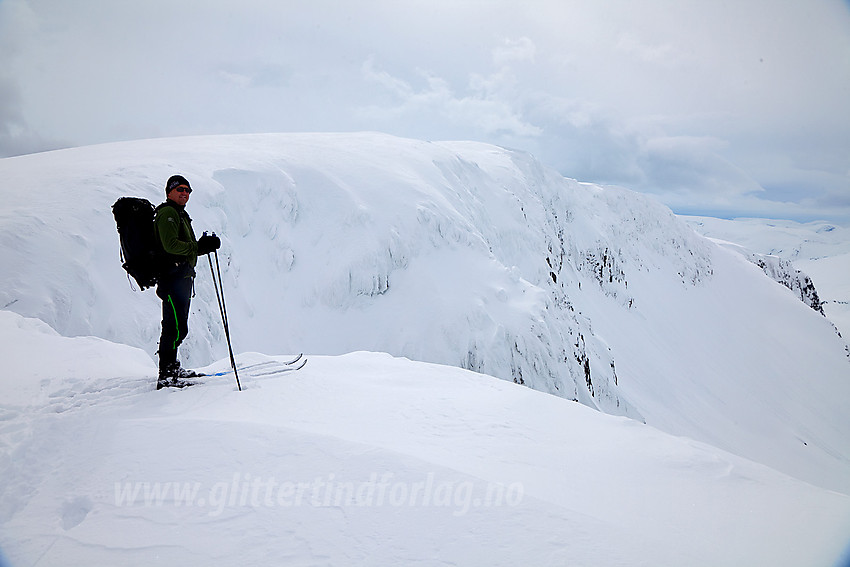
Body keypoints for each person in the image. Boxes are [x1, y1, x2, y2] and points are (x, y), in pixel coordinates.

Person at [154, 174, 220, 389]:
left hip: (181, 278)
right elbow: (171, 245)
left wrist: (201, 247)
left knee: (179, 327)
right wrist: (198, 246)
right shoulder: (168, 214)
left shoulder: (180, 214)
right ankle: (166, 374)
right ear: (170, 191)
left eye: (188, 190)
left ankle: (172, 367)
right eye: (180, 189)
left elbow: (183, 248)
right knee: (173, 327)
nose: (185, 193)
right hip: (172, 279)